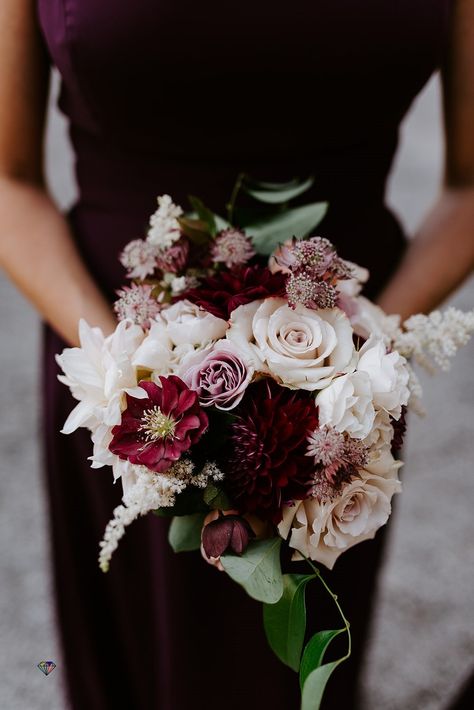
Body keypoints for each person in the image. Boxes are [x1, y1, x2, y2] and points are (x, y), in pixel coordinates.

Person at [0, 1, 473, 709]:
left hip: (343, 379)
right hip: (111, 349)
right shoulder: (122, 377)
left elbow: (469, 186)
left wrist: (360, 363)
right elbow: (10, 181)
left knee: (297, 672)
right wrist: (124, 377)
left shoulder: (352, 382)